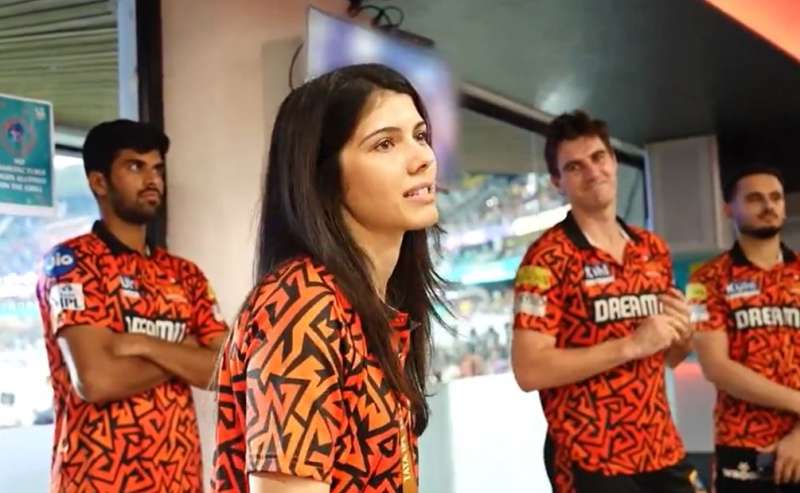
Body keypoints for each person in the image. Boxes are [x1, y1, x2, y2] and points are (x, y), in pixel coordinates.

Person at [211, 64, 444, 493]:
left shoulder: (368, 302)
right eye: (385, 144)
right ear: (323, 176)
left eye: (420, 135)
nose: (423, 158)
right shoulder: (303, 304)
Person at [36, 119, 229, 493]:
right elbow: (97, 381)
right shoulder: (72, 263)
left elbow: (225, 369)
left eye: (157, 168)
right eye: (135, 166)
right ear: (99, 182)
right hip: (96, 481)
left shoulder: (185, 274)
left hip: (179, 480)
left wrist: (145, 344)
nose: (152, 179)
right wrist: (186, 352)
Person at [511, 110, 699, 493]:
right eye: (574, 166)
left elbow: (669, 357)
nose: (592, 172)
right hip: (590, 455)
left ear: (613, 161)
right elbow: (529, 370)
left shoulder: (652, 249)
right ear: (557, 181)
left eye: (598, 157)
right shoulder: (546, 258)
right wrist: (631, 345)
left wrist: (682, 336)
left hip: (659, 445)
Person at [689, 166, 800, 492]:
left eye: (776, 198)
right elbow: (716, 367)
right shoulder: (705, 279)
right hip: (741, 444)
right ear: (728, 209)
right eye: (754, 199)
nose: (769, 206)